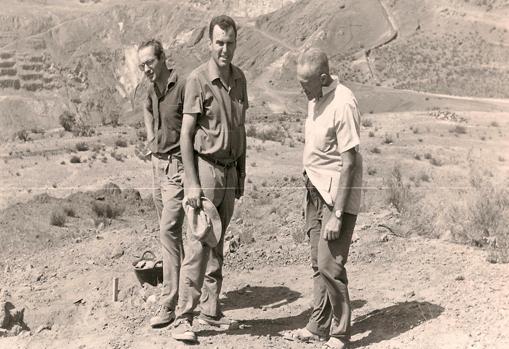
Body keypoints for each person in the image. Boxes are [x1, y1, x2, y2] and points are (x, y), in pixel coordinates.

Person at [171, 15, 248, 343]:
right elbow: (186, 136)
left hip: (230, 172)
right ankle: (183, 317)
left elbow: (241, 128)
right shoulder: (198, 80)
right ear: (210, 43)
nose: (225, 49)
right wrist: (191, 182)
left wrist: (242, 172)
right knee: (200, 242)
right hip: (205, 170)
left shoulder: (240, 79)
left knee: (219, 244)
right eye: (219, 43)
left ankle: (211, 310)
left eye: (230, 43)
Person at [285, 48, 363, 349]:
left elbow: (349, 162)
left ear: (322, 78)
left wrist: (338, 214)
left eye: (305, 84)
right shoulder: (315, 98)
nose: (301, 89)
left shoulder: (343, 103)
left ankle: (341, 332)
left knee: (331, 266)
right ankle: (318, 326)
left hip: (336, 198)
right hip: (315, 190)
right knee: (318, 262)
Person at [137, 39, 186, 328]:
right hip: (157, 166)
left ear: (163, 58)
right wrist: (150, 138)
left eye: (150, 63)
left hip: (178, 168)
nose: (146, 69)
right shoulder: (152, 88)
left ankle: (170, 303)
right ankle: (183, 292)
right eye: (142, 65)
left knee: (168, 232)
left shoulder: (182, 86)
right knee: (168, 234)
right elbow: (146, 108)